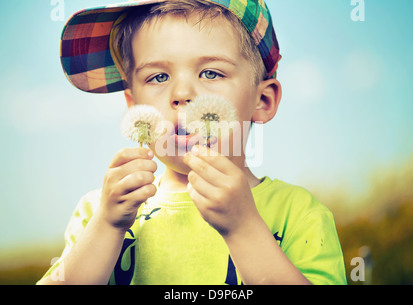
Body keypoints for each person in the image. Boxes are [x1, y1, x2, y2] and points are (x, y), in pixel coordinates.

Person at [38, 0, 347, 285]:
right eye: (158, 77)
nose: (182, 93)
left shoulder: (298, 213)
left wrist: (244, 228)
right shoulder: (101, 211)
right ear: (134, 107)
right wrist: (107, 226)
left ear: (262, 100)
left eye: (211, 72)